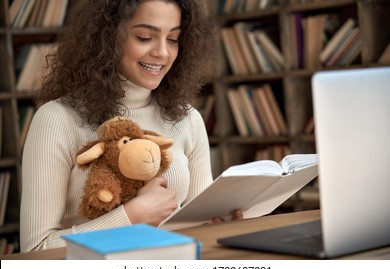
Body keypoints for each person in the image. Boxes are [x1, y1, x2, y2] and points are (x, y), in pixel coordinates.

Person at [20, 0, 242, 252]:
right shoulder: (56, 119)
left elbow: (194, 227)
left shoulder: (188, 119)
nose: (162, 52)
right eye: (145, 37)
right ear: (107, 36)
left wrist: (217, 225)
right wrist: (130, 216)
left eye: (173, 39)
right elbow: (35, 250)